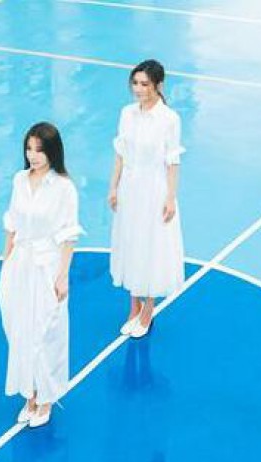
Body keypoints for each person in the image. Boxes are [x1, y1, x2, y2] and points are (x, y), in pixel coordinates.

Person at [0, 122, 83, 428]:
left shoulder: (64, 187)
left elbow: (69, 235)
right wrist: (6, 262)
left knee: (47, 333)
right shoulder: (19, 180)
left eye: (39, 150)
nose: (32, 156)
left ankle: (46, 398)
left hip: (46, 266)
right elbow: (12, 224)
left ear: (52, 152)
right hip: (19, 265)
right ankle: (30, 394)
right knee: (20, 330)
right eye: (29, 149)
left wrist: (62, 276)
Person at [108, 59, 186, 338]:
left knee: (150, 246)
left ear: (158, 86)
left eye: (144, 84)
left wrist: (170, 198)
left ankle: (148, 309)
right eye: (135, 83)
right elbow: (120, 154)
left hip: (154, 190)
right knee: (130, 243)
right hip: (129, 188)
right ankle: (133, 306)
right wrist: (113, 187)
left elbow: (172, 162)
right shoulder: (126, 114)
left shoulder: (169, 119)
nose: (138, 89)